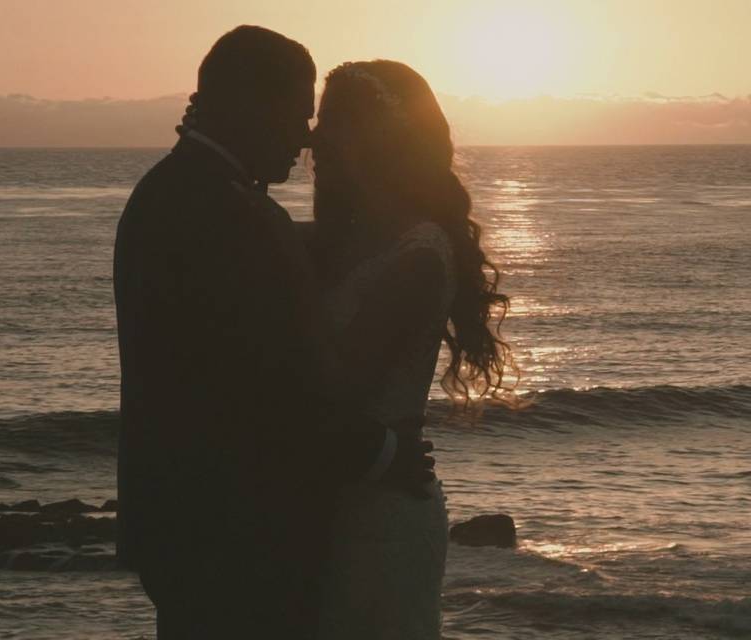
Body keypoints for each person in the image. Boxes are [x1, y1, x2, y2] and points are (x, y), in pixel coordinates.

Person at [113, 29, 434, 640]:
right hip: (238, 534)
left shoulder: (169, 192)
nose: (306, 136)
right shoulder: (236, 218)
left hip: (181, 526)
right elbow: (269, 391)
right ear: (248, 106)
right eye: (297, 114)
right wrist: (383, 454)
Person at [308, 60, 516, 639]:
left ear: (378, 139)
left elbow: (331, 390)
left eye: (333, 125)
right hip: (329, 506)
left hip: (379, 517)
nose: (314, 139)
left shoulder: (418, 256)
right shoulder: (340, 238)